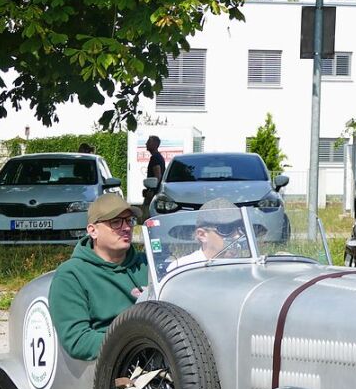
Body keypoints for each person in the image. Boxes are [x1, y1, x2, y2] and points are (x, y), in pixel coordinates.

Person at [48, 194, 149, 361]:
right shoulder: (71, 275)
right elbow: (78, 341)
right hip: (113, 366)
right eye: (116, 222)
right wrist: (135, 343)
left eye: (129, 220)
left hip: (159, 354)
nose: (126, 228)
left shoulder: (147, 264)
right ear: (93, 231)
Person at [166, 198, 247, 270]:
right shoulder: (182, 269)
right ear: (202, 235)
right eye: (226, 228)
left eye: (241, 229)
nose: (237, 235)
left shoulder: (248, 267)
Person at [142, 135, 165, 212]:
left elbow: (158, 176)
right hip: (156, 192)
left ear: (155, 144)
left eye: (148, 142)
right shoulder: (158, 157)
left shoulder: (155, 158)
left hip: (154, 193)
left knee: (146, 214)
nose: (146, 144)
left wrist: (151, 190)